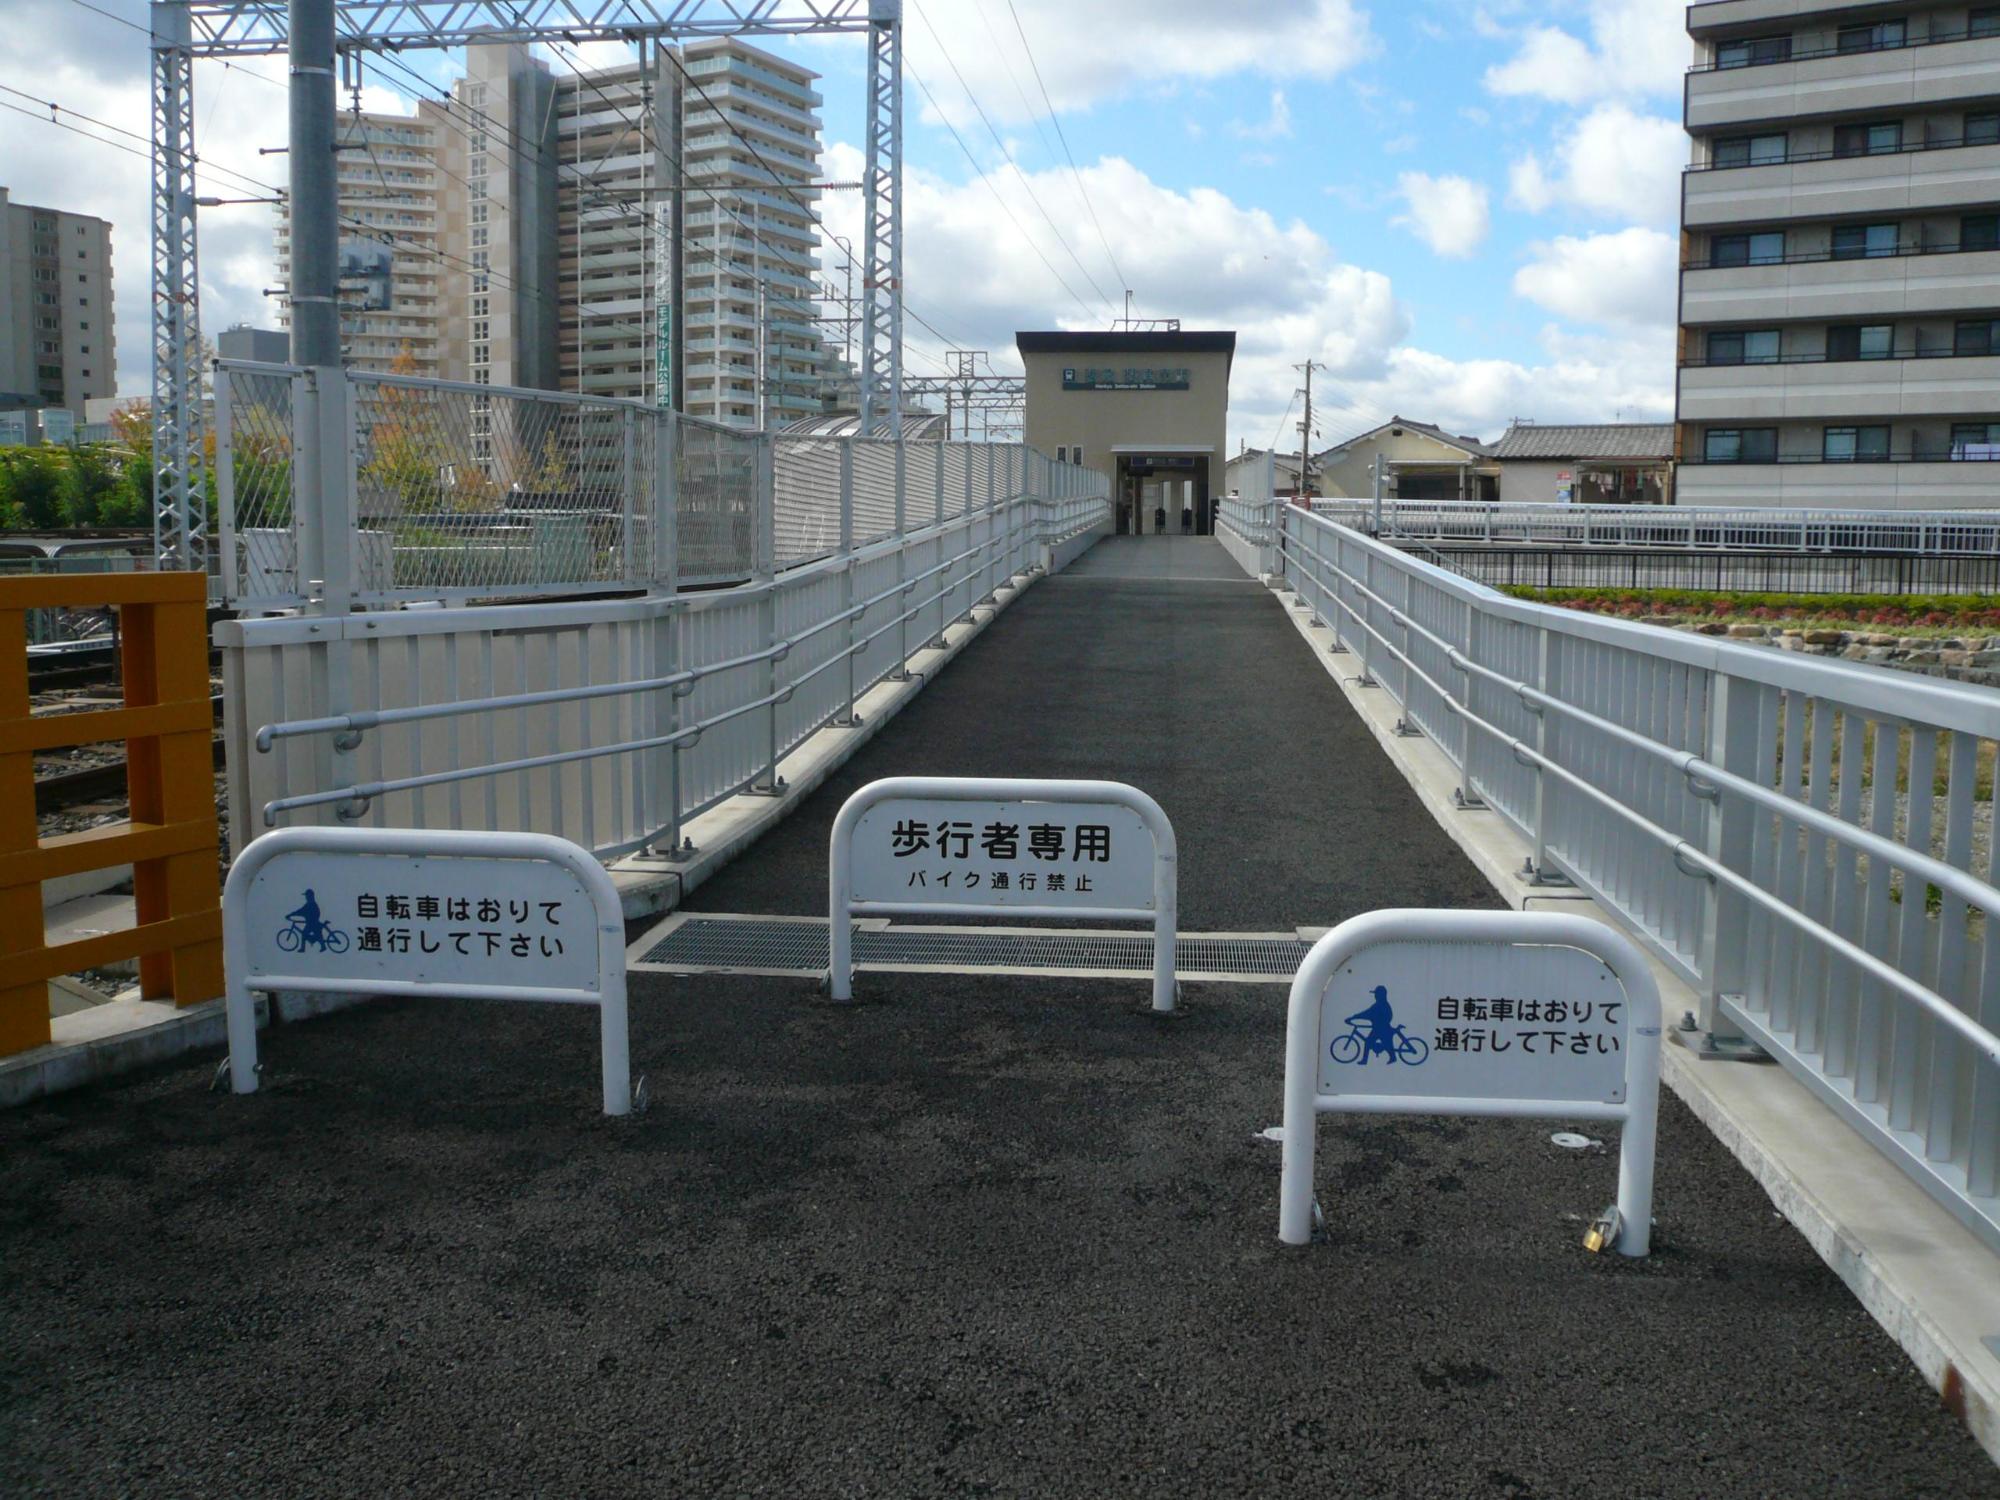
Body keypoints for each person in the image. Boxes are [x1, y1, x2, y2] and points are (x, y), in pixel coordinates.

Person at [1346, 984, 1397, 1060]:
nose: (1375, 996)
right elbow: (1368, 1013)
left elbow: (1367, 1014)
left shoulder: (1380, 1005)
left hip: (1381, 1029)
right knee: (1384, 1044)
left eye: (1376, 994)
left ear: (1380, 995)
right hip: (1379, 1028)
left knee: (1370, 1042)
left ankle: (1364, 1060)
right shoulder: (1381, 1004)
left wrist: (1354, 1017)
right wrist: (1355, 1017)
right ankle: (1365, 1060)